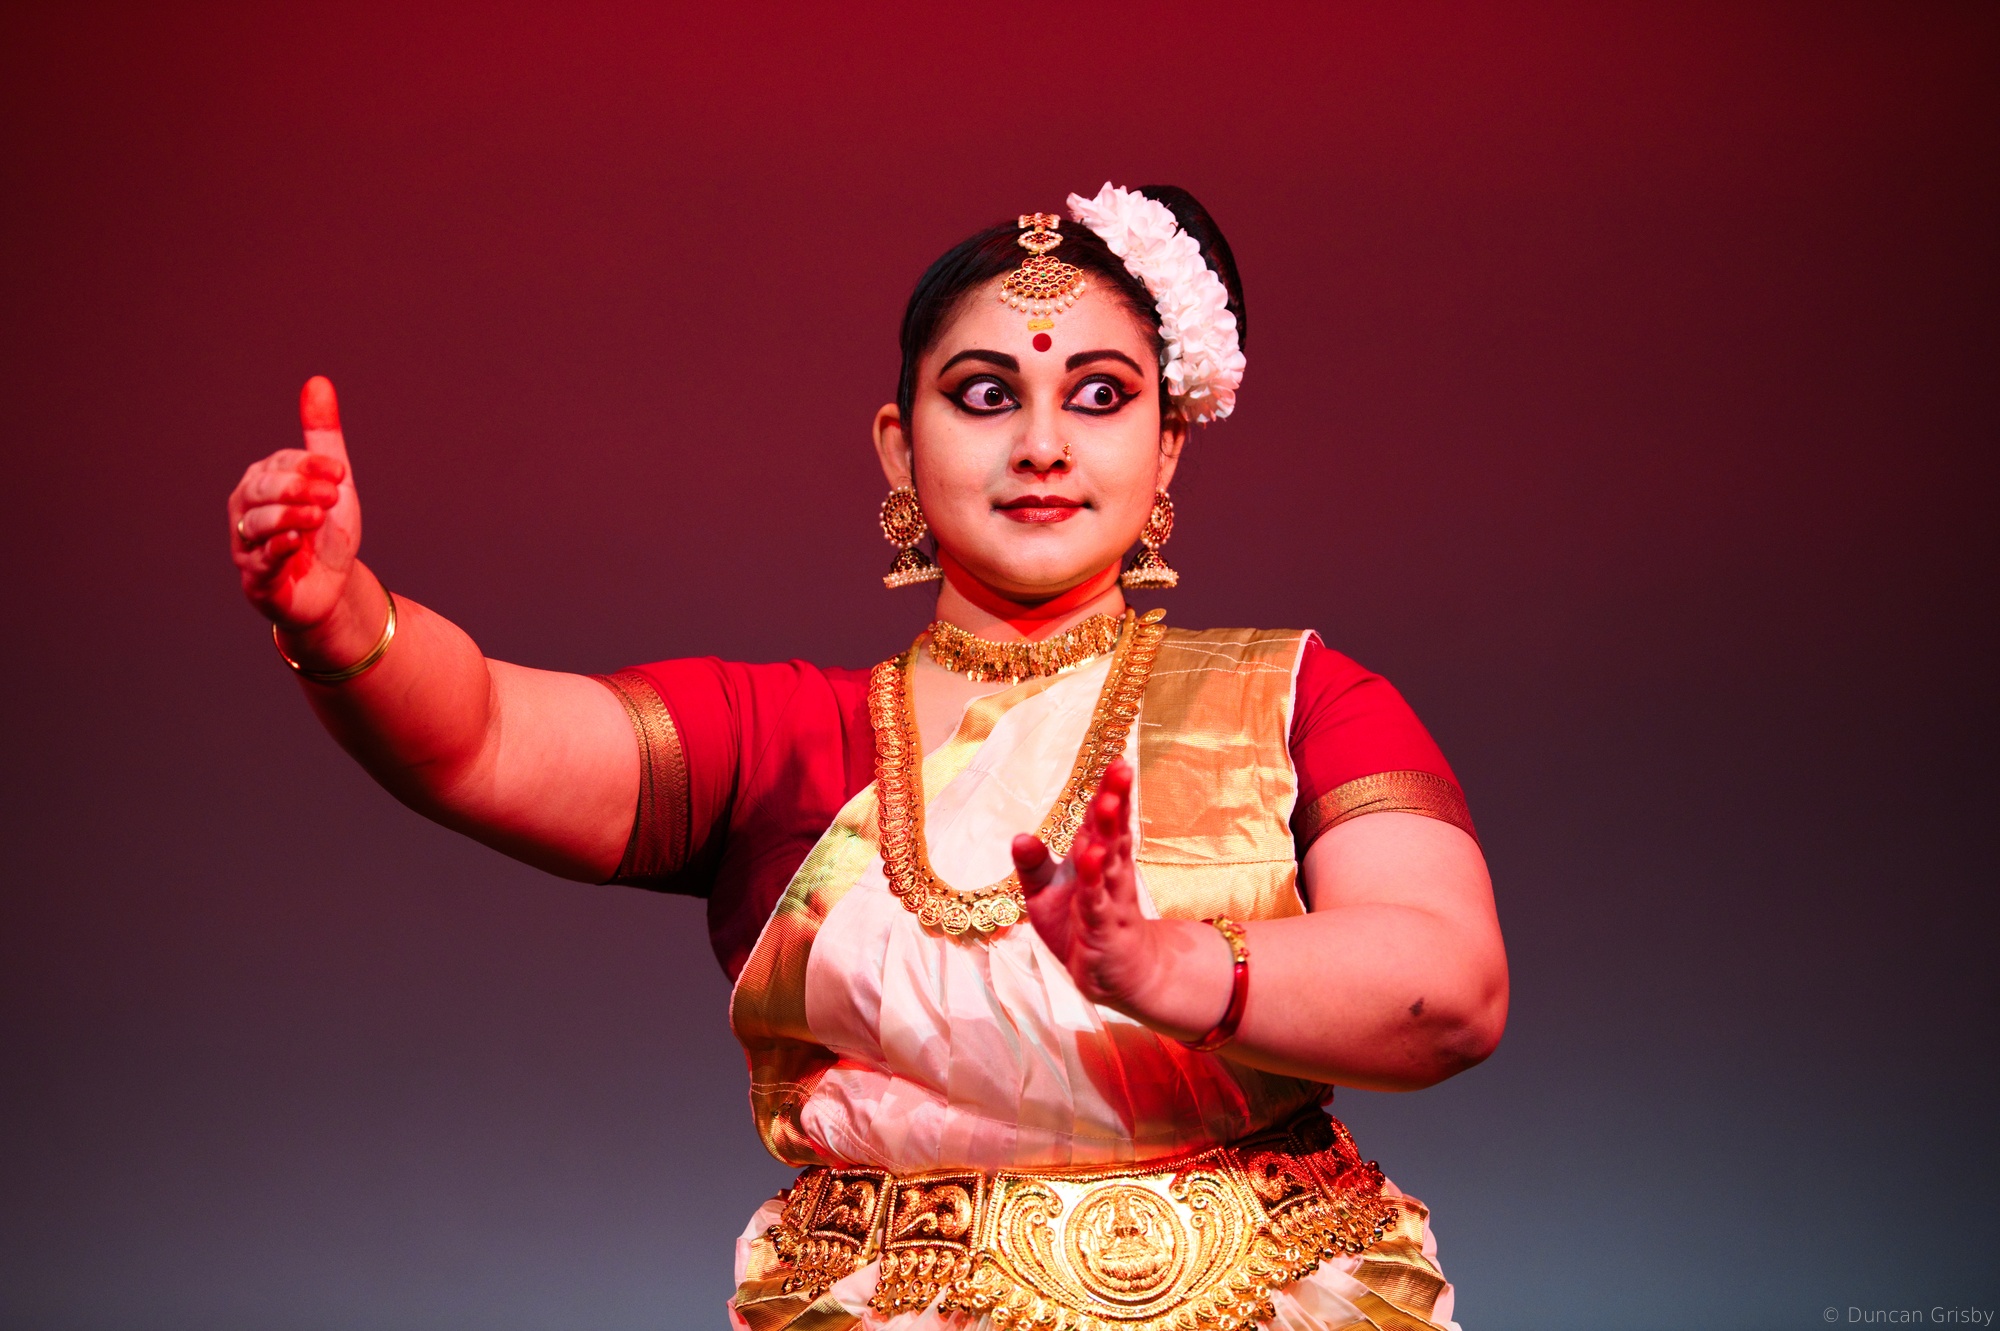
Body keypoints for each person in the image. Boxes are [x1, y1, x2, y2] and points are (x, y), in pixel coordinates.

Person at [227, 182, 1508, 1331]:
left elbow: (1451, 991)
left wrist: (1169, 965)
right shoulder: (784, 739)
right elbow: (483, 736)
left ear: (1167, 442)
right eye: (986, 394)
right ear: (899, 444)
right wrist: (340, 619)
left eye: (1099, 395)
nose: (1043, 444)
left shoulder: (1297, 697)